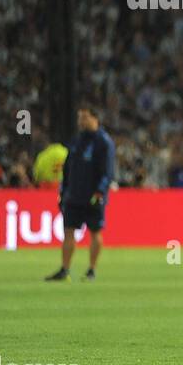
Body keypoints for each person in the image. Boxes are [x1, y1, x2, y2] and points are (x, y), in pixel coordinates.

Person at [45, 105, 115, 283]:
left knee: (95, 232)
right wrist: (63, 190)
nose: (80, 121)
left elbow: (107, 171)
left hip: (93, 196)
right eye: (79, 118)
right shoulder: (76, 141)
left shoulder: (104, 142)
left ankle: (91, 269)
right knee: (68, 231)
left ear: (94, 118)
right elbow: (68, 168)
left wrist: (100, 191)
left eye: (84, 118)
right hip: (74, 195)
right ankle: (65, 269)